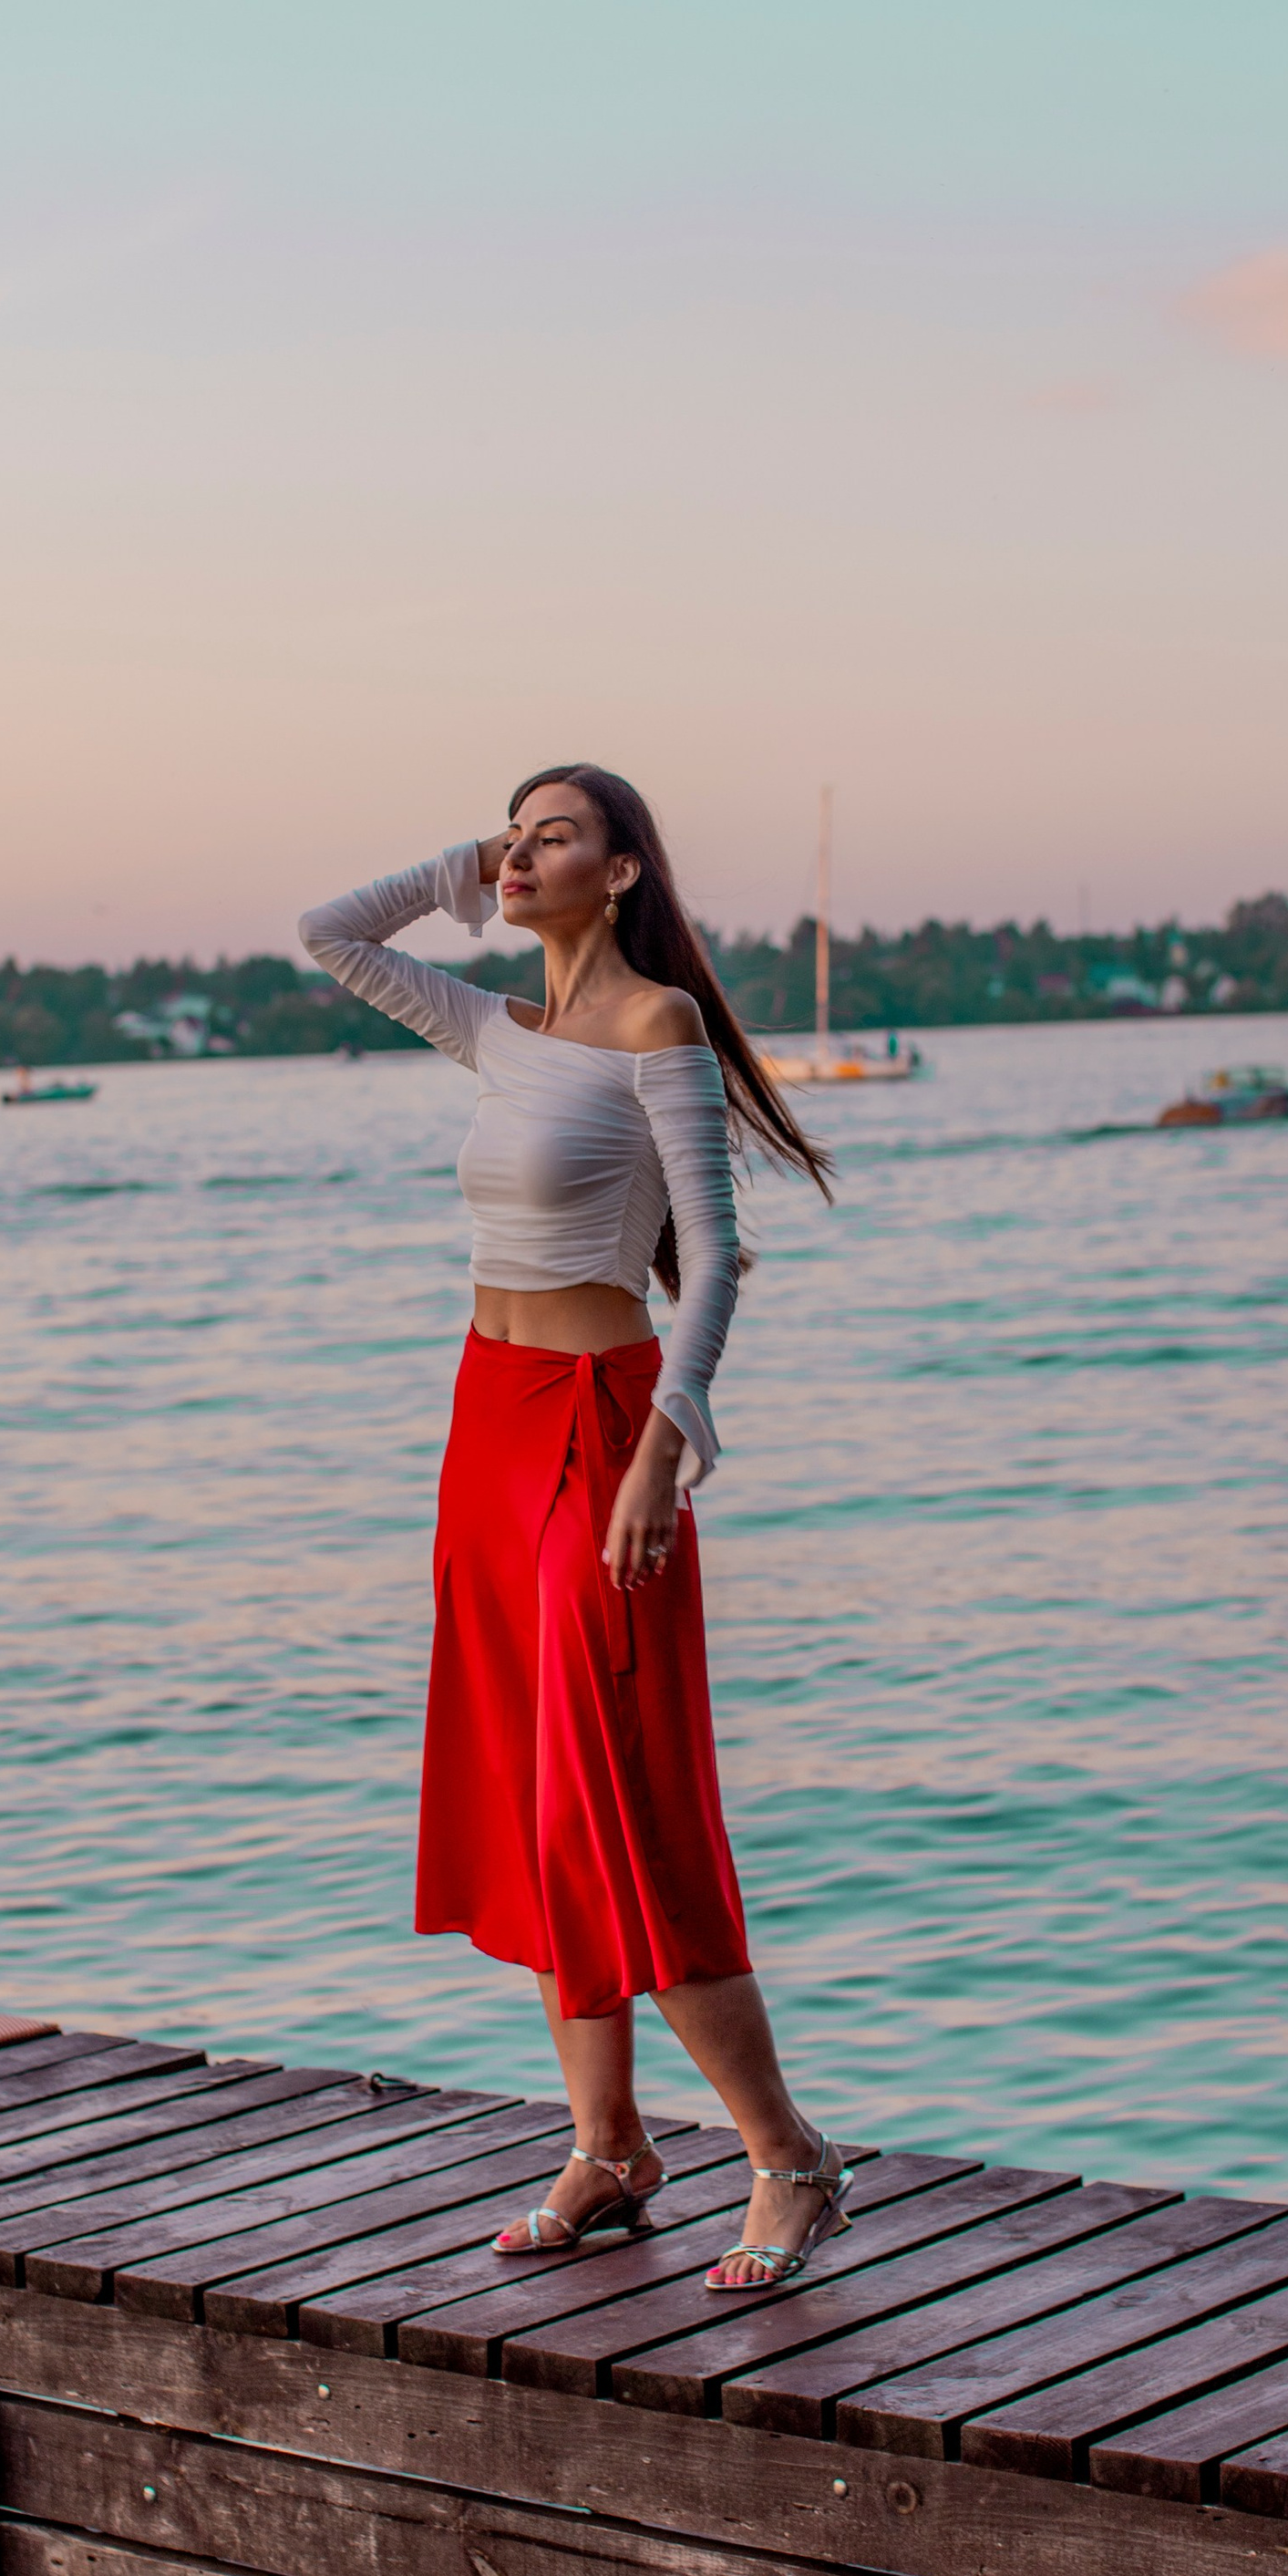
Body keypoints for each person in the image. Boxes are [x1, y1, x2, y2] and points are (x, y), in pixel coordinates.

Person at [298, 766, 846, 2289]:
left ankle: (790, 2158)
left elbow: (718, 1263)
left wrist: (666, 1453)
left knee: (625, 1796)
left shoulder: (653, 1030)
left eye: (557, 835)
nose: (525, 854)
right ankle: (610, 2147)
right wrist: (463, 862)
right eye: (515, 834)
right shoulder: (496, 1028)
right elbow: (327, 933)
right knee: (539, 1800)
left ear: (622, 872)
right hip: (487, 1424)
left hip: (605, 1423)